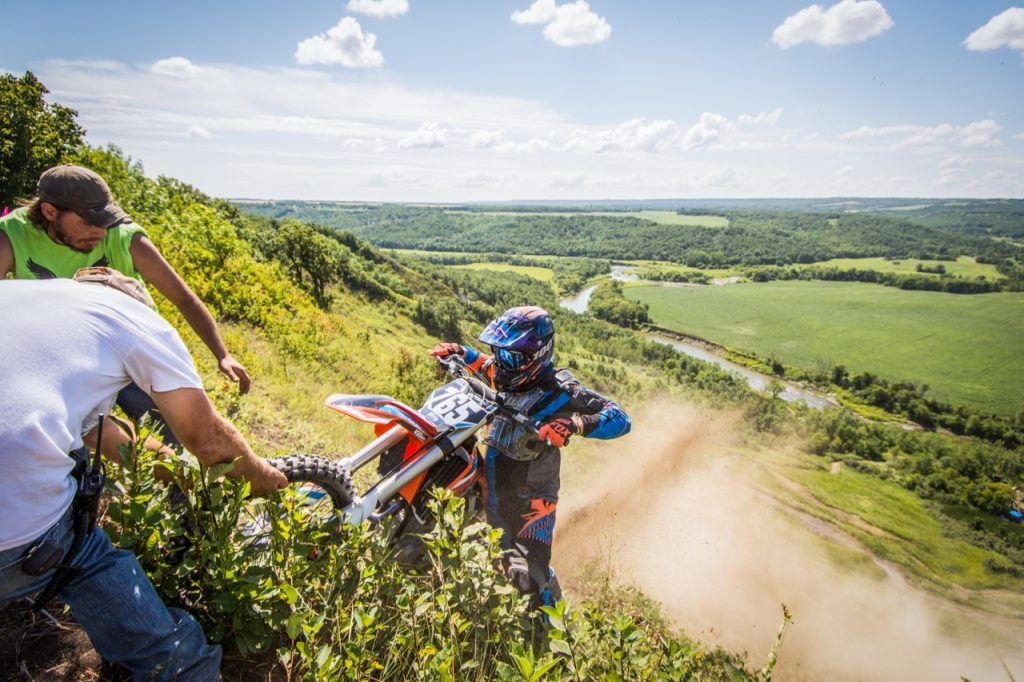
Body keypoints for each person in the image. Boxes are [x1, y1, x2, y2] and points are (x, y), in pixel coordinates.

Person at [0, 272, 288, 679]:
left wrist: (173, 467)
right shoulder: (132, 318)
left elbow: (106, 437)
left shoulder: (25, 296)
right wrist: (263, 477)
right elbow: (208, 441)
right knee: (96, 568)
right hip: (16, 533)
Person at [0, 164, 251, 446]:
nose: (100, 232)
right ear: (49, 212)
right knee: (67, 440)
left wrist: (223, 354)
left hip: (132, 347)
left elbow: (183, 297)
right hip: (66, 355)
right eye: (89, 221)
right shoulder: (13, 234)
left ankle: (179, 482)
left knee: (179, 435)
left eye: (105, 220)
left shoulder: (125, 238)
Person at [429, 306, 631, 606]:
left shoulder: (562, 390)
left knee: (525, 580)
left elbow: (620, 418)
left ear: (538, 355)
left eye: (512, 356)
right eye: (501, 353)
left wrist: (575, 423)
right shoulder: (504, 371)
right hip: (493, 480)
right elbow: (484, 363)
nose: (503, 363)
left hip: (531, 502)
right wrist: (459, 351)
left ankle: (550, 623)